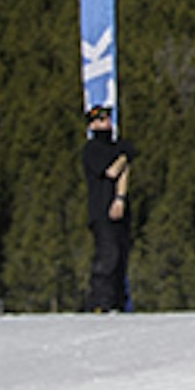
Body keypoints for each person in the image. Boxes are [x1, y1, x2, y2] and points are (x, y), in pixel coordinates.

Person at [81, 104, 134, 312]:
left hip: (119, 209)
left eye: (107, 119)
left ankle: (118, 302)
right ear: (92, 125)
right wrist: (124, 156)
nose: (106, 123)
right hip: (101, 210)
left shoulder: (117, 147)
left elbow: (125, 170)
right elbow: (111, 171)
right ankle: (99, 302)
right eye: (101, 120)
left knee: (121, 256)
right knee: (107, 255)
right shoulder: (92, 149)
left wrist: (120, 198)